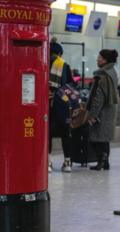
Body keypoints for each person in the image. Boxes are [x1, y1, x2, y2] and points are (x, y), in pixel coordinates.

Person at [87, 49, 119, 171]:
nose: (97, 59)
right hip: (110, 109)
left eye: (99, 57)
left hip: (102, 111)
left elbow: (98, 97)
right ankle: (105, 162)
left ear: (105, 60)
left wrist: (93, 115)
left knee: (97, 138)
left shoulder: (102, 75)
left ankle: (101, 161)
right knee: (104, 138)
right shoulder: (112, 72)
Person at [49, 41, 74, 173]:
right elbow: (71, 86)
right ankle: (67, 162)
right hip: (63, 105)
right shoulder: (64, 65)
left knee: (47, 134)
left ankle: (48, 162)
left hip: (46, 104)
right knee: (66, 133)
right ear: (59, 53)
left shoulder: (42, 63)